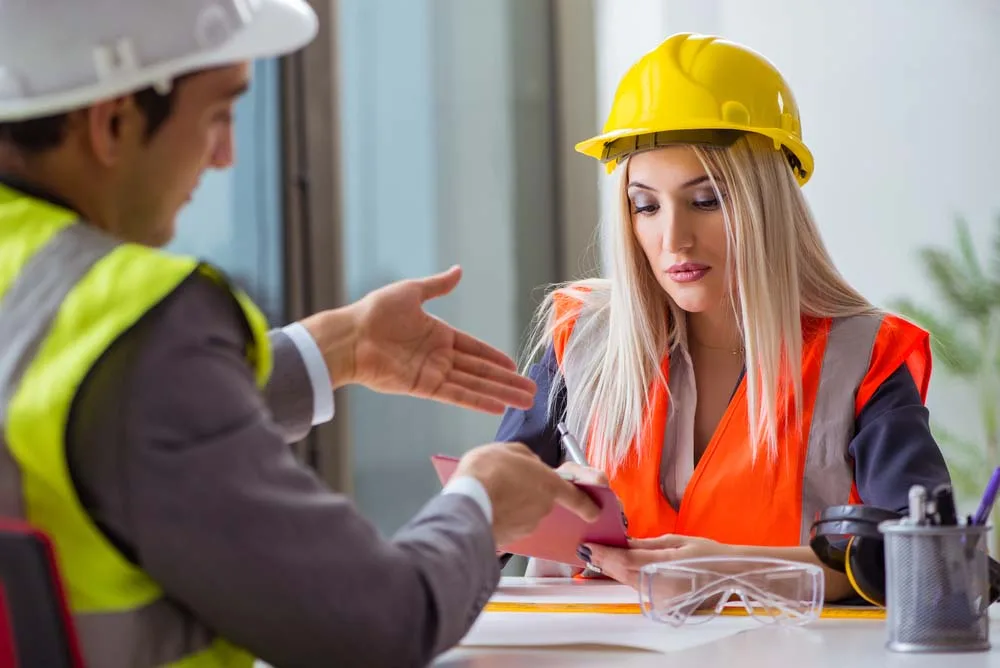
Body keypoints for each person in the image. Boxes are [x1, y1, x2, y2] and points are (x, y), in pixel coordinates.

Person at [0, 1, 601, 666]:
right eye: (220, 115)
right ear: (112, 122)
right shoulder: (140, 321)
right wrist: (484, 504)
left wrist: (338, 349)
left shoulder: (43, 291)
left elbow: (91, 423)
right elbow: (376, 623)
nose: (226, 157)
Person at [495, 32, 951, 600]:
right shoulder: (581, 339)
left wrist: (734, 568)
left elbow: (924, 560)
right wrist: (519, 509)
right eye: (646, 206)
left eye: (707, 200)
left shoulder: (863, 355)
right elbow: (474, 535)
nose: (673, 239)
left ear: (767, 204)